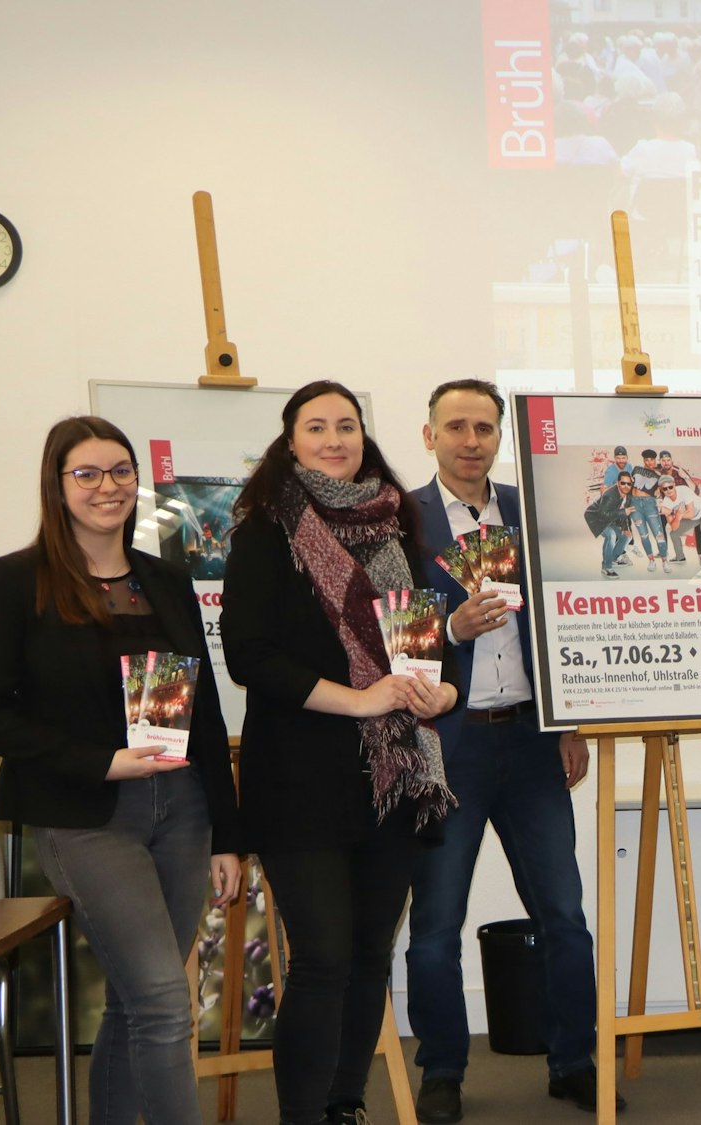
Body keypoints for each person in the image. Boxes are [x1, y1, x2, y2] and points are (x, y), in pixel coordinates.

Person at [0, 416, 243, 1125]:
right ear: (57, 488)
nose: (107, 486)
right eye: (86, 474)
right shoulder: (14, 579)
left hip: (182, 808)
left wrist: (228, 834)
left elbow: (203, 709)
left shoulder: (167, 579)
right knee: (161, 997)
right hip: (85, 818)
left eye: (120, 470)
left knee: (133, 999)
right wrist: (103, 761)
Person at [221, 381, 460, 1125]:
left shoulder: (395, 525)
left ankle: (342, 1105)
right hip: (298, 780)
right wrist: (358, 699)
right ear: (289, 440)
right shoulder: (264, 530)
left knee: (367, 957)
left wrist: (438, 694)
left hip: (389, 777)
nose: (334, 438)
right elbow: (247, 655)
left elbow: (418, 647)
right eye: (316, 426)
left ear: (365, 436)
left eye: (346, 425)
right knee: (322, 958)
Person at [403, 381, 602, 1122]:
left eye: (484, 427)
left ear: (499, 436)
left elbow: (569, 620)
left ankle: (574, 1060)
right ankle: (444, 1069)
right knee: (436, 925)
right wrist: (451, 628)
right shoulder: (403, 520)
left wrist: (572, 718)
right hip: (445, 745)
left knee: (564, 914)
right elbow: (390, 638)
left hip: (530, 739)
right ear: (429, 436)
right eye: (455, 425)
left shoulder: (534, 510)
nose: (471, 439)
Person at [585, 471, 636, 577]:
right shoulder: (610, 495)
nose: (626, 486)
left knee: (626, 537)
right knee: (611, 535)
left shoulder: (628, 495)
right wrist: (623, 512)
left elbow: (624, 512)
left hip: (610, 516)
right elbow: (602, 515)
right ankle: (606, 567)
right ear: (618, 483)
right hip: (596, 518)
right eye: (623, 483)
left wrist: (625, 528)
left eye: (629, 483)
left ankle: (613, 559)